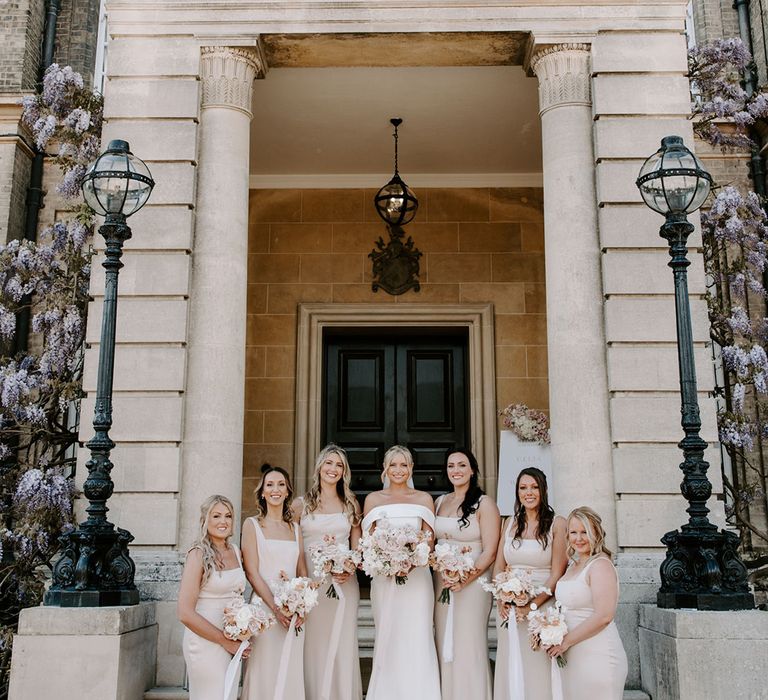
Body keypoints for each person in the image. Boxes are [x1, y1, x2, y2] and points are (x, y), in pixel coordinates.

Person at [361, 445, 441, 700]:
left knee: (417, 636)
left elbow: (429, 542)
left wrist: (409, 561)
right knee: (389, 635)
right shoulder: (373, 500)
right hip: (384, 580)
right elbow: (368, 543)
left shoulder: (424, 499)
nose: (398, 470)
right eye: (393, 465)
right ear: (385, 468)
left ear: (411, 469)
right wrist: (388, 560)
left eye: (403, 465)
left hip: (417, 580)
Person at [293, 444, 363, 700]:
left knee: (342, 643)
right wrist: (301, 582)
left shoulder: (351, 503)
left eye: (339, 465)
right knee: (313, 644)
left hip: (343, 583)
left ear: (344, 471)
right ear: (319, 467)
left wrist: (350, 566)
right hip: (311, 584)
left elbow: (357, 547)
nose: (333, 469)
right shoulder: (301, 505)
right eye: (329, 463)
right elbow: (294, 548)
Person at [492, 467, 567, 700]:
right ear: (517, 492)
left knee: (536, 666)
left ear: (543, 490)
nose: (529, 492)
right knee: (511, 661)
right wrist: (501, 597)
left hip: (541, 608)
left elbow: (557, 573)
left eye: (534, 487)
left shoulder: (557, 524)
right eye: (523, 488)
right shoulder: (510, 523)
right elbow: (498, 566)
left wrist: (531, 605)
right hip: (509, 608)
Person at [433, 448, 501, 700]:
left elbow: (490, 551)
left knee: (468, 642)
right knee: (444, 639)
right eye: (451, 466)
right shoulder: (439, 502)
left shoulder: (485, 504)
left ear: (472, 470)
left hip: (473, 585)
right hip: (442, 582)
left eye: (462, 465)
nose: (456, 471)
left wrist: (465, 578)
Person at [241, 464, 308, 700]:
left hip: (292, 613)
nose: (275, 489)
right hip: (264, 612)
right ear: (262, 492)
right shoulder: (252, 525)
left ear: (288, 491)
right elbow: (252, 573)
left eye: (281, 484)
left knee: (289, 669)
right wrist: (276, 608)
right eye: (270, 485)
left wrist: (302, 605)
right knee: (264, 670)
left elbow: (301, 570)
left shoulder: (296, 529)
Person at [548, 506, 628, 700]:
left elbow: (604, 616)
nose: (579, 538)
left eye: (585, 532)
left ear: (596, 533)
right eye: (574, 532)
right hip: (573, 656)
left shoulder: (600, 565)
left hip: (598, 655)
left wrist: (565, 642)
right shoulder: (573, 566)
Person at [178, 495, 248, 700]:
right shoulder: (197, 554)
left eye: (228, 516)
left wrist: (244, 629)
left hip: (232, 639)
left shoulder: (235, 551)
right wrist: (223, 640)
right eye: (216, 516)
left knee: (227, 694)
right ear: (205, 520)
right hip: (205, 641)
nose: (223, 521)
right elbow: (184, 612)